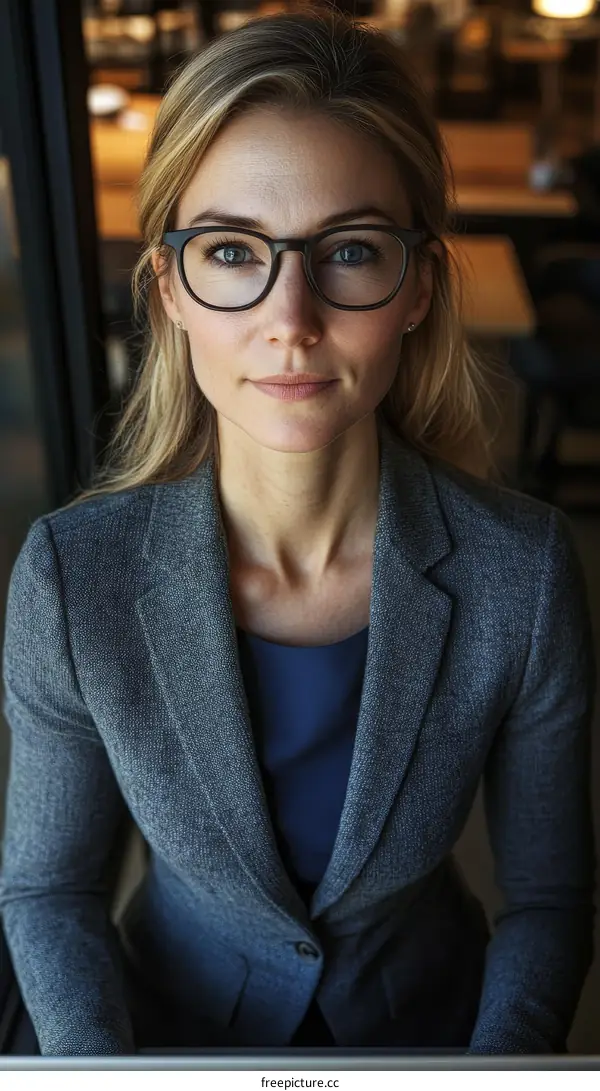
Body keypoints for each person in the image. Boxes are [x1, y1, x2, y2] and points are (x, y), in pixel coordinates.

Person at [0, 5, 596, 1057]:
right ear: (169, 291)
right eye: (233, 250)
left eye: (351, 249)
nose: (292, 317)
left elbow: (548, 900)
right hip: (167, 1041)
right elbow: (49, 888)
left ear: (417, 286)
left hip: (433, 1039)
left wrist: (493, 1077)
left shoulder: (527, 572)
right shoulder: (69, 577)